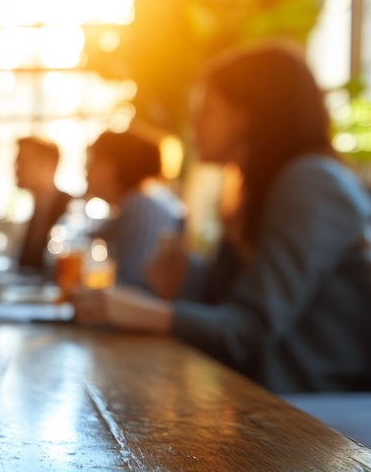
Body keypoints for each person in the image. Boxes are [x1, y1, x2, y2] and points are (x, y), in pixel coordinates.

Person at [73, 41, 371, 393]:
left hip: (321, 414)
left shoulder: (311, 182)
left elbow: (249, 329)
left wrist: (143, 312)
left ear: (245, 116)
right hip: (272, 399)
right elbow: (227, 313)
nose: (194, 124)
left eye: (206, 110)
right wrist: (179, 285)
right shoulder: (254, 191)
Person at [86, 129, 184, 290]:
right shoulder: (145, 203)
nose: (86, 169)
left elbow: (132, 286)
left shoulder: (140, 208)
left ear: (110, 167)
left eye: (92, 160)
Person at [15, 137, 72, 274]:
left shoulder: (71, 210)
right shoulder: (36, 208)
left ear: (47, 165)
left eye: (23, 162)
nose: (16, 169)